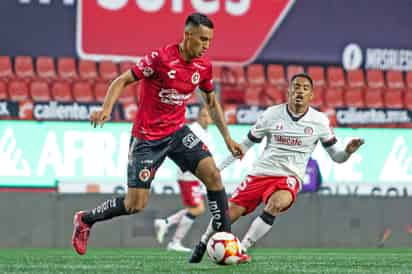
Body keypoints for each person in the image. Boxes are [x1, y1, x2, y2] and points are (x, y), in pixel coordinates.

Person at [71, 13, 244, 256]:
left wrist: (227, 138)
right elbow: (122, 80)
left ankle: (227, 243)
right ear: (188, 36)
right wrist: (106, 109)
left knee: (214, 177)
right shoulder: (160, 59)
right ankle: (86, 219)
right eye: (202, 39)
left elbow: (212, 103)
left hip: (177, 133)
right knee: (135, 205)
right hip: (147, 138)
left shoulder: (203, 67)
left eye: (209, 41)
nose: (206, 46)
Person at [189, 73, 365, 263]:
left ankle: (242, 248)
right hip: (261, 173)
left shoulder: (320, 121)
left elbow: (337, 157)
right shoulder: (271, 114)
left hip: (289, 177)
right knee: (227, 216)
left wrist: (347, 151)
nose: (300, 91)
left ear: (311, 95)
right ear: (289, 91)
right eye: (297, 87)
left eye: (305, 89)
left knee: (277, 203)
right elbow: (243, 146)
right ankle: (203, 242)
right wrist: (218, 169)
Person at [154, 107, 212, 252]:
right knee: (197, 209)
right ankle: (174, 241)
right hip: (188, 176)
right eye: (204, 115)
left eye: (209, 116)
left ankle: (166, 223)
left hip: (194, 177)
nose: (207, 119)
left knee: (195, 209)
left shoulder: (205, 133)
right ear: (198, 116)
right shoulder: (194, 130)